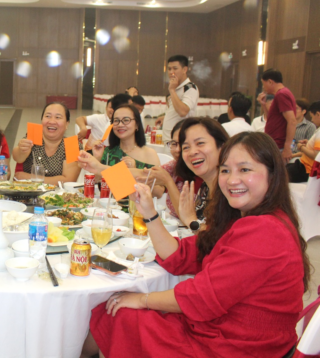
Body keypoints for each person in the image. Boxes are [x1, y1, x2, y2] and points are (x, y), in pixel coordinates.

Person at [81, 131, 310, 358]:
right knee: (115, 311)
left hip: (235, 346)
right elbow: (184, 254)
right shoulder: (242, 217)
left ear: (273, 174)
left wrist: (142, 300)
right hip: (224, 330)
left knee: (116, 314)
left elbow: (201, 298)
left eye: (244, 170)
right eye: (226, 170)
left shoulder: (265, 230)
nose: (232, 180)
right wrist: (149, 213)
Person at [77, 105, 160, 181]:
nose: (120, 124)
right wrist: (97, 158)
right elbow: (98, 184)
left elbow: (159, 189)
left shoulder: (149, 154)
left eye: (126, 120)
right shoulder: (109, 152)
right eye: (116, 121)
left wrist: (134, 171)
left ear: (137, 125)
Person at [175, 117, 229, 230]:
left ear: (222, 146)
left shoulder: (231, 190)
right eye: (186, 147)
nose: (192, 152)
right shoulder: (205, 188)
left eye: (200, 143)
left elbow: (222, 238)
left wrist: (191, 220)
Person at [12, 102, 81, 185]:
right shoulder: (34, 137)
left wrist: (28, 178)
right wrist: (21, 149)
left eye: (58, 117)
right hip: (29, 191)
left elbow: (68, 180)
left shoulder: (72, 145)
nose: (52, 121)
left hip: (58, 193)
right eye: (48, 116)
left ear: (67, 124)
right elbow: (17, 158)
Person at [137, 120, 191, 219]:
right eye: (174, 143)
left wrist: (168, 181)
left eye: (183, 144)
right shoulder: (174, 165)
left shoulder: (201, 173)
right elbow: (145, 174)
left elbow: (187, 217)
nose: (177, 149)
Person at [155, 55, 199, 142]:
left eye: (175, 68)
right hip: (168, 139)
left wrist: (172, 90)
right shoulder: (176, 87)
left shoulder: (190, 87)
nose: (171, 72)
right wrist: (166, 117)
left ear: (184, 70)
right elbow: (176, 110)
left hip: (179, 140)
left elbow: (183, 112)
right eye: (169, 69)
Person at [261, 68, 297, 162]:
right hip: (274, 143)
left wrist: (287, 147)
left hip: (279, 145)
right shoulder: (281, 94)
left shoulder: (282, 94)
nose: (263, 87)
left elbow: (292, 121)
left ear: (270, 82)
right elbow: (274, 119)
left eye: (263, 83)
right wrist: (264, 105)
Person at [287, 101, 320, 183]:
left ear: (318, 114)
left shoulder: (314, 129)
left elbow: (316, 155)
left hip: (306, 168)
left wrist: (301, 147)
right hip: (303, 164)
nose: (312, 120)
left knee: (279, 175)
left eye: (312, 117)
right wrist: (308, 143)